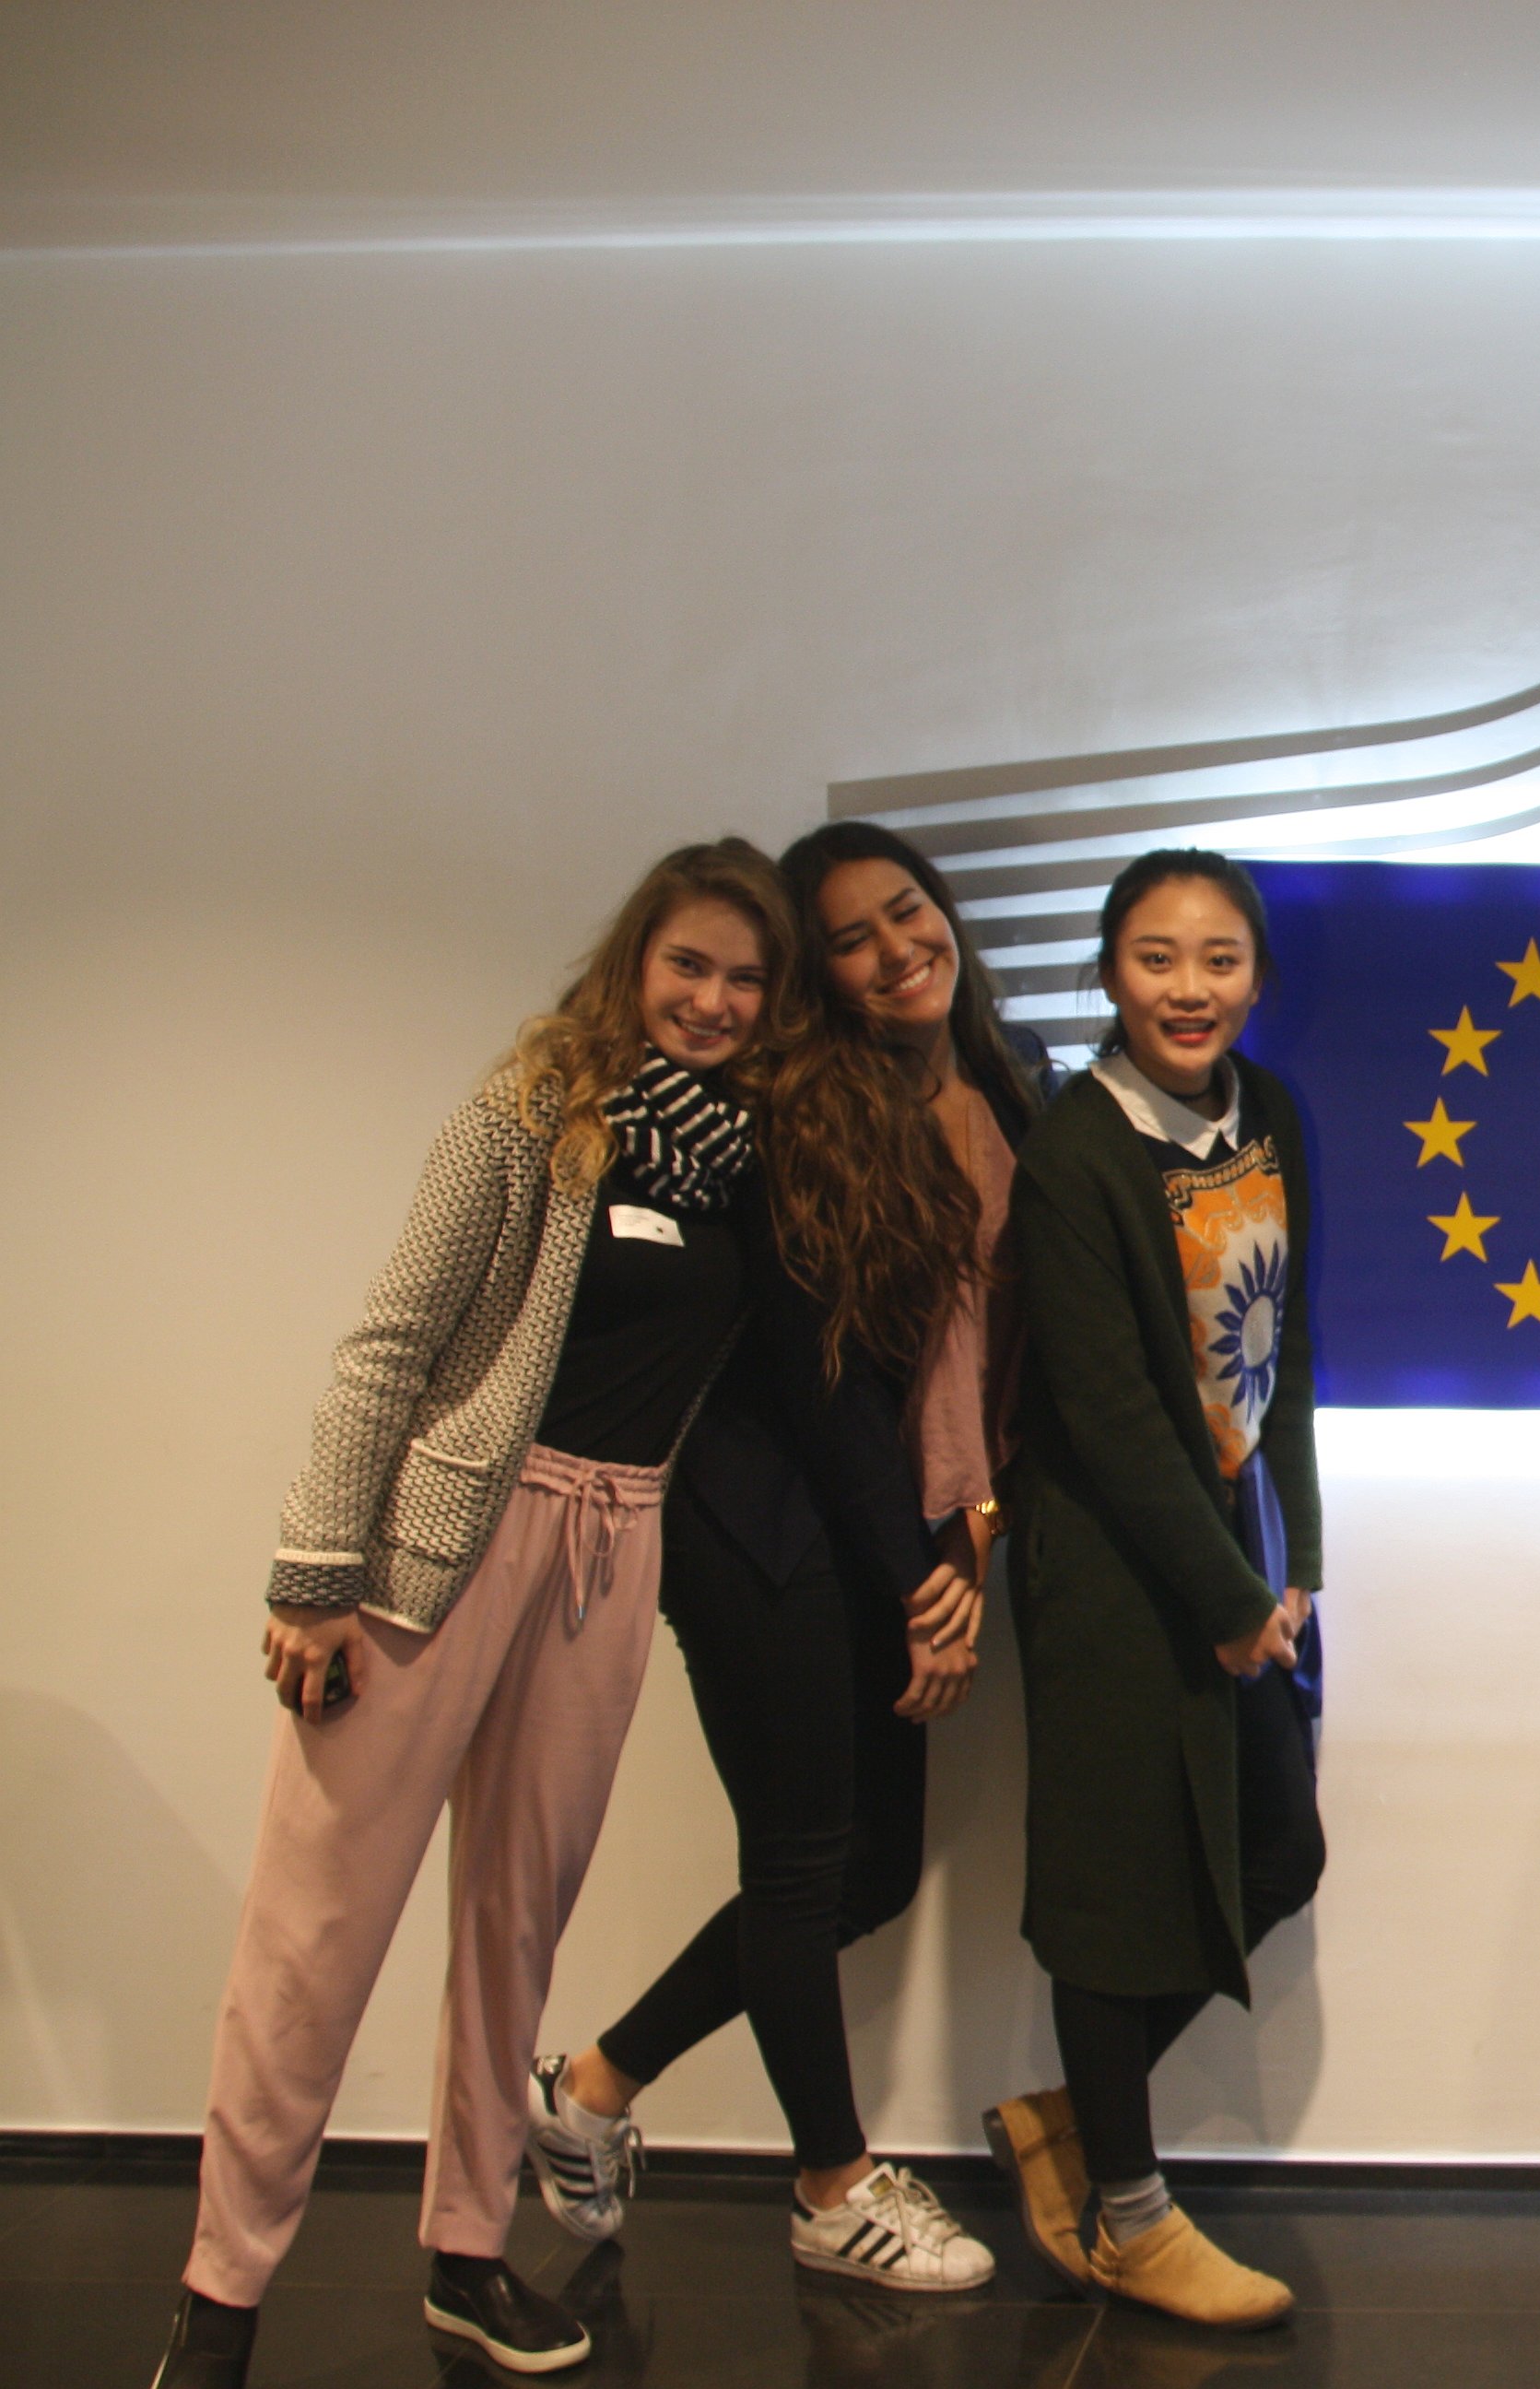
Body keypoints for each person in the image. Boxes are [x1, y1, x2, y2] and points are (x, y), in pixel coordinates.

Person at [152, 841, 798, 2388]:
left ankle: (464, 2252)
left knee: (518, 1924)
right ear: (634, 962)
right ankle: (222, 2298)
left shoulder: (752, 1158)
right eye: (686, 965)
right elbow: (388, 1348)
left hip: (611, 1556)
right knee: (315, 1934)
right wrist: (317, 1577)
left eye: (743, 977)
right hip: (447, 1550)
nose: (710, 1001)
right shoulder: (530, 1114)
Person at [528, 822, 1044, 2292]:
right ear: (818, 978)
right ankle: (830, 2185)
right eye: (852, 939)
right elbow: (818, 1385)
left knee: (861, 1867)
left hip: (885, 1531)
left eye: (908, 914)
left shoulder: (990, 1096)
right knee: (809, 1860)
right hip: (757, 1529)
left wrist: (966, 1540)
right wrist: (919, 1581)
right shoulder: (807, 1112)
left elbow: (980, 1367)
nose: (896, 951)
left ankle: (595, 2087)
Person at [977, 848, 1321, 2331]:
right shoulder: (1075, 1149)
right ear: (1113, 972)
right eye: (1160, 958)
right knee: (1117, 1896)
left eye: (1221, 958)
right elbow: (1110, 1414)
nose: (1192, 988)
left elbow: (1285, 1361)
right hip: (1112, 1573)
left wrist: (1291, 1571)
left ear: (1256, 973)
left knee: (1276, 1853)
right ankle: (1129, 2213)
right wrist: (1225, 1596)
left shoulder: (1273, 1112)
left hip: (1240, 1557)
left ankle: (1069, 2119)